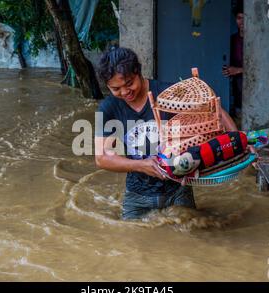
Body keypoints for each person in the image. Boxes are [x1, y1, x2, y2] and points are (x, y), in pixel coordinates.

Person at [95, 47, 238, 220]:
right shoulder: (109, 108)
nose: (125, 92)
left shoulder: (168, 93)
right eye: (116, 89)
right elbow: (101, 158)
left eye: (129, 83)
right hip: (137, 196)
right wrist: (140, 165)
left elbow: (216, 112)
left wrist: (239, 143)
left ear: (138, 72)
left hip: (178, 190)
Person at [223, 4, 244, 118]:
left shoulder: (257, 42)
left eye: (245, 18)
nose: (242, 22)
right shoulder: (232, 40)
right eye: (239, 18)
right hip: (237, 90)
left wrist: (238, 70)